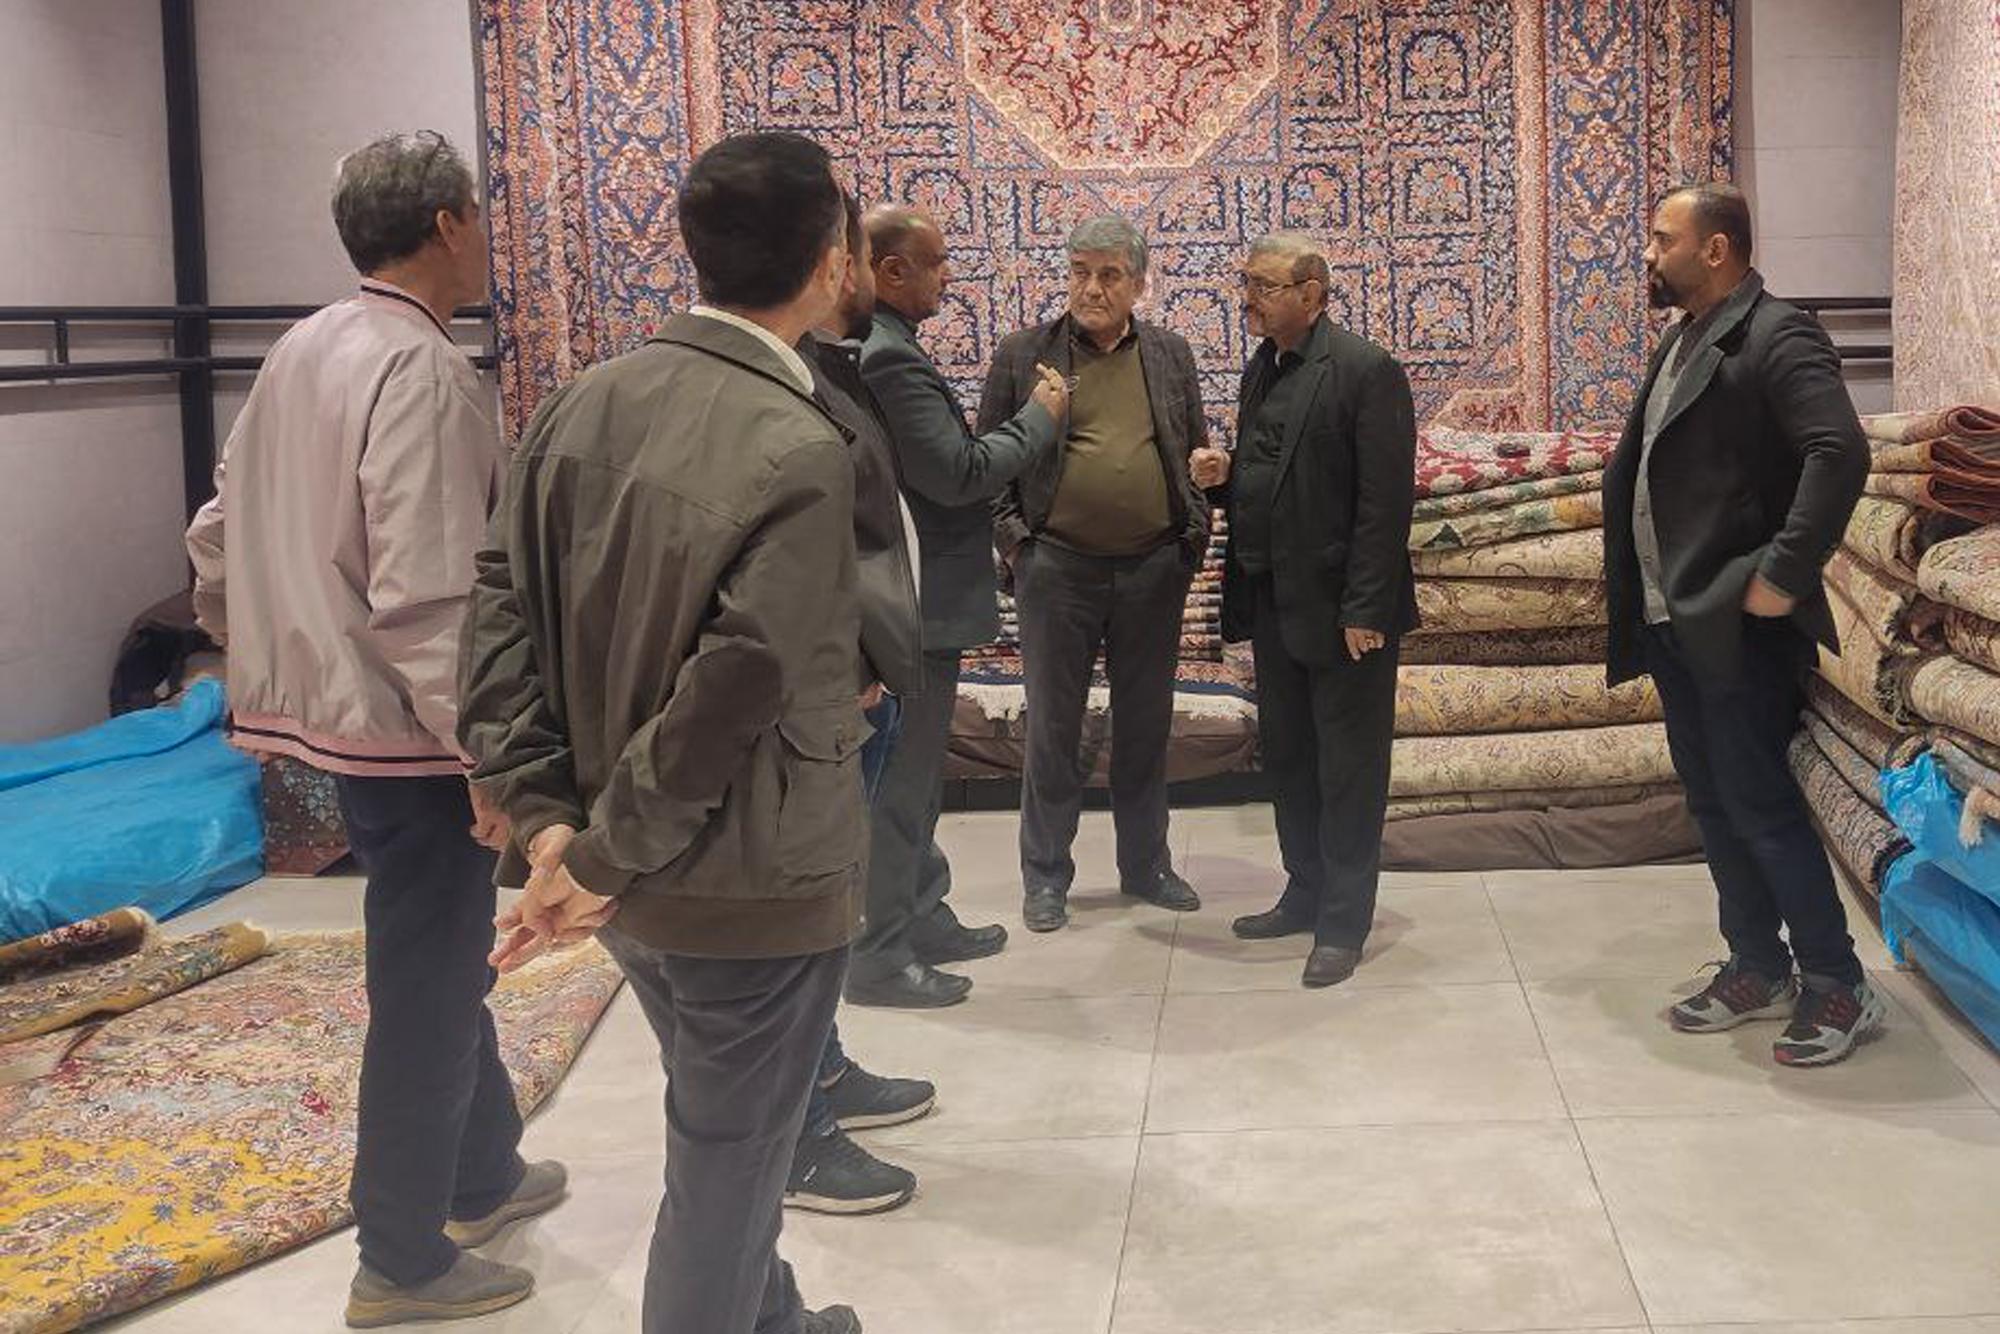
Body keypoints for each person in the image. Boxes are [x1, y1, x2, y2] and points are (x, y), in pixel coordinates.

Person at [457, 131, 864, 1334]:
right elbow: (738, 685)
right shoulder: (797, 444)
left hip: (615, 861)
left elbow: (497, 609)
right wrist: (591, 853)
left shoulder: (581, 400)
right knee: (726, 1175)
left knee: (730, 1130)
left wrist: (547, 817)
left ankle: (772, 1317)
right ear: (831, 260)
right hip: (740, 877)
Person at [186, 131, 562, 1328]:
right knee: (426, 977)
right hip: (409, 726)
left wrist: (257, 640)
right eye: (479, 213)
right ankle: (399, 1254)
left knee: (433, 948)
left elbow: (216, 528)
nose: (487, 232)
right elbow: (429, 595)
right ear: (446, 224)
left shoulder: (301, 347)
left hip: (332, 710)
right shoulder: (422, 370)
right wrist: (489, 755)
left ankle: (480, 1171)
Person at [1604, 182, 1880, 1066]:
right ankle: (1758, 963)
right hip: (1677, 621)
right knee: (1716, 804)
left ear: (1716, 249)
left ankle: (1838, 984)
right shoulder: (1685, 337)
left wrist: (1783, 572)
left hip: (1738, 623)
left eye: (1663, 239)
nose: (1650, 253)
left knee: (1759, 803)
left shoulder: (1777, 333)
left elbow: (1840, 451)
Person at [847, 204, 1069, 1007]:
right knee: (900, 789)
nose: (948, 275)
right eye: (936, 262)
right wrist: (1040, 419)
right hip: (914, 607)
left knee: (917, 782)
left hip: (916, 605)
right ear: (890, 270)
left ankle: (921, 915)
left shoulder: (889, 346)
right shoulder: (888, 357)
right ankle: (879, 957)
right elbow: (960, 472)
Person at [979, 215, 1210, 933]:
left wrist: (1190, 538)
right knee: (1054, 727)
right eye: (1080, 272)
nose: (1092, 288)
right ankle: (1046, 877)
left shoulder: (1169, 354)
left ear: (1140, 284)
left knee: (1146, 725)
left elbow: (1193, 451)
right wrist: (1019, 547)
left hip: (1152, 570)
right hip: (1058, 571)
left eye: (1109, 275)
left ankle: (1146, 867)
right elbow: (989, 462)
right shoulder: (1024, 354)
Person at [1206, 232, 1418, 990]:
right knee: (1291, 758)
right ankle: (1304, 890)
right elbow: (1278, 476)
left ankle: (1344, 920)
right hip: (1275, 602)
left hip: (1342, 613)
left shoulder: (1366, 371)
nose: (1249, 299)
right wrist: (1224, 476)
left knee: (1348, 768)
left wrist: (1366, 607)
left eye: (1264, 286)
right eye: (1246, 283)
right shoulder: (1262, 368)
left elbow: (1384, 502)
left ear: (1312, 294)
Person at [786, 192, 939, 1215]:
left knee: (829, 902)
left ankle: (824, 1071)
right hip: (822, 700)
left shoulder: (829, 366)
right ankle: (798, 1134)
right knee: (798, 922)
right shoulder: (778, 385)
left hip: (861, 681)